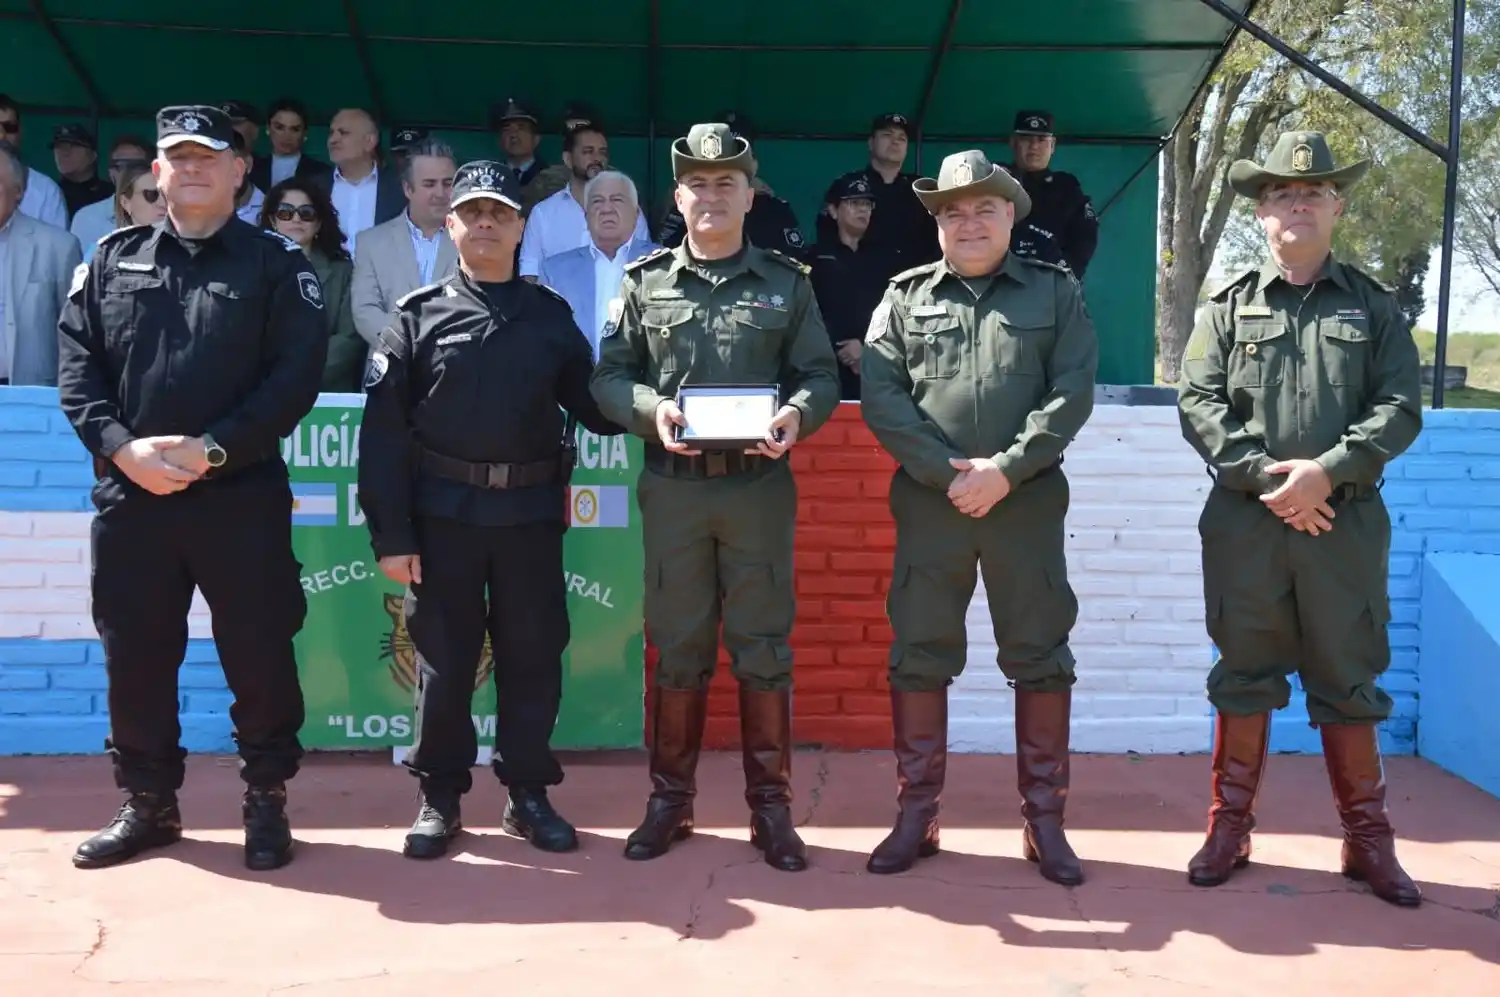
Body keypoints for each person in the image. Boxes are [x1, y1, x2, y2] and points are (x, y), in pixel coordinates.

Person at [56, 105, 328, 872]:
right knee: (135, 654)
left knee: (259, 652)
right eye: (179, 157)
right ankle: (148, 802)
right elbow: (78, 371)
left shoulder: (278, 264)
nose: (195, 168)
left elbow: (294, 378)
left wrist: (214, 449)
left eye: (211, 155)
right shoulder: (110, 260)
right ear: (158, 175)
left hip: (237, 495)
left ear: (241, 171)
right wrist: (120, 448)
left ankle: (266, 798)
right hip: (134, 498)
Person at [1176, 130, 1424, 908]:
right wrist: (1268, 479)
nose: (1298, 204)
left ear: (1336, 204)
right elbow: (1199, 402)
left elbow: (1399, 407)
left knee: (1348, 678)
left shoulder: (1374, 306)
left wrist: (1327, 471)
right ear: (1262, 212)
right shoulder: (1226, 308)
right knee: (1243, 673)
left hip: (1340, 522)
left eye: (1312, 192)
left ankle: (1367, 840)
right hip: (1247, 524)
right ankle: (1229, 827)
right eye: (1283, 193)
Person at [590, 122, 841, 871]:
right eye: (696, 182)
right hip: (675, 493)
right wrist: (650, 410)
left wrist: (796, 415)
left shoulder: (786, 283)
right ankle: (671, 800)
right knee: (679, 649)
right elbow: (609, 376)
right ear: (679, 194)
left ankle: (772, 808)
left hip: (758, 491)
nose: (710, 194)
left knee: (763, 648)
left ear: (749, 192)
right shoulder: (644, 282)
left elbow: (821, 376)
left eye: (725, 181)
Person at [357, 161, 625, 860]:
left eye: (499, 213)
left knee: (533, 657)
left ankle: (527, 794)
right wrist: (391, 533)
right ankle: (439, 798)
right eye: (471, 212)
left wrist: (659, 394)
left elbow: (596, 409)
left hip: (530, 517)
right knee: (444, 663)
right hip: (442, 518)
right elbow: (383, 438)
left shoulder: (549, 317)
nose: (484, 223)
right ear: (450, 224)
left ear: (519, 227)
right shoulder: (416, 317)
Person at [859, 150, 1098, 885]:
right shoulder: (901, 298)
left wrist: (1006, 469)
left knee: (1040, 652)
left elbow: (1073, 389)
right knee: (921, 651)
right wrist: (945, 472)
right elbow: (882, 395)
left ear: (1009, 217)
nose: (968, 222)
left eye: (984, 208)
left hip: (1023, 502)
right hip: (932, 506)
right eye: (953, 211)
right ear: (936, 224)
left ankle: (1045, 821)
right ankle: (917, 813)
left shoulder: (1054, 293)